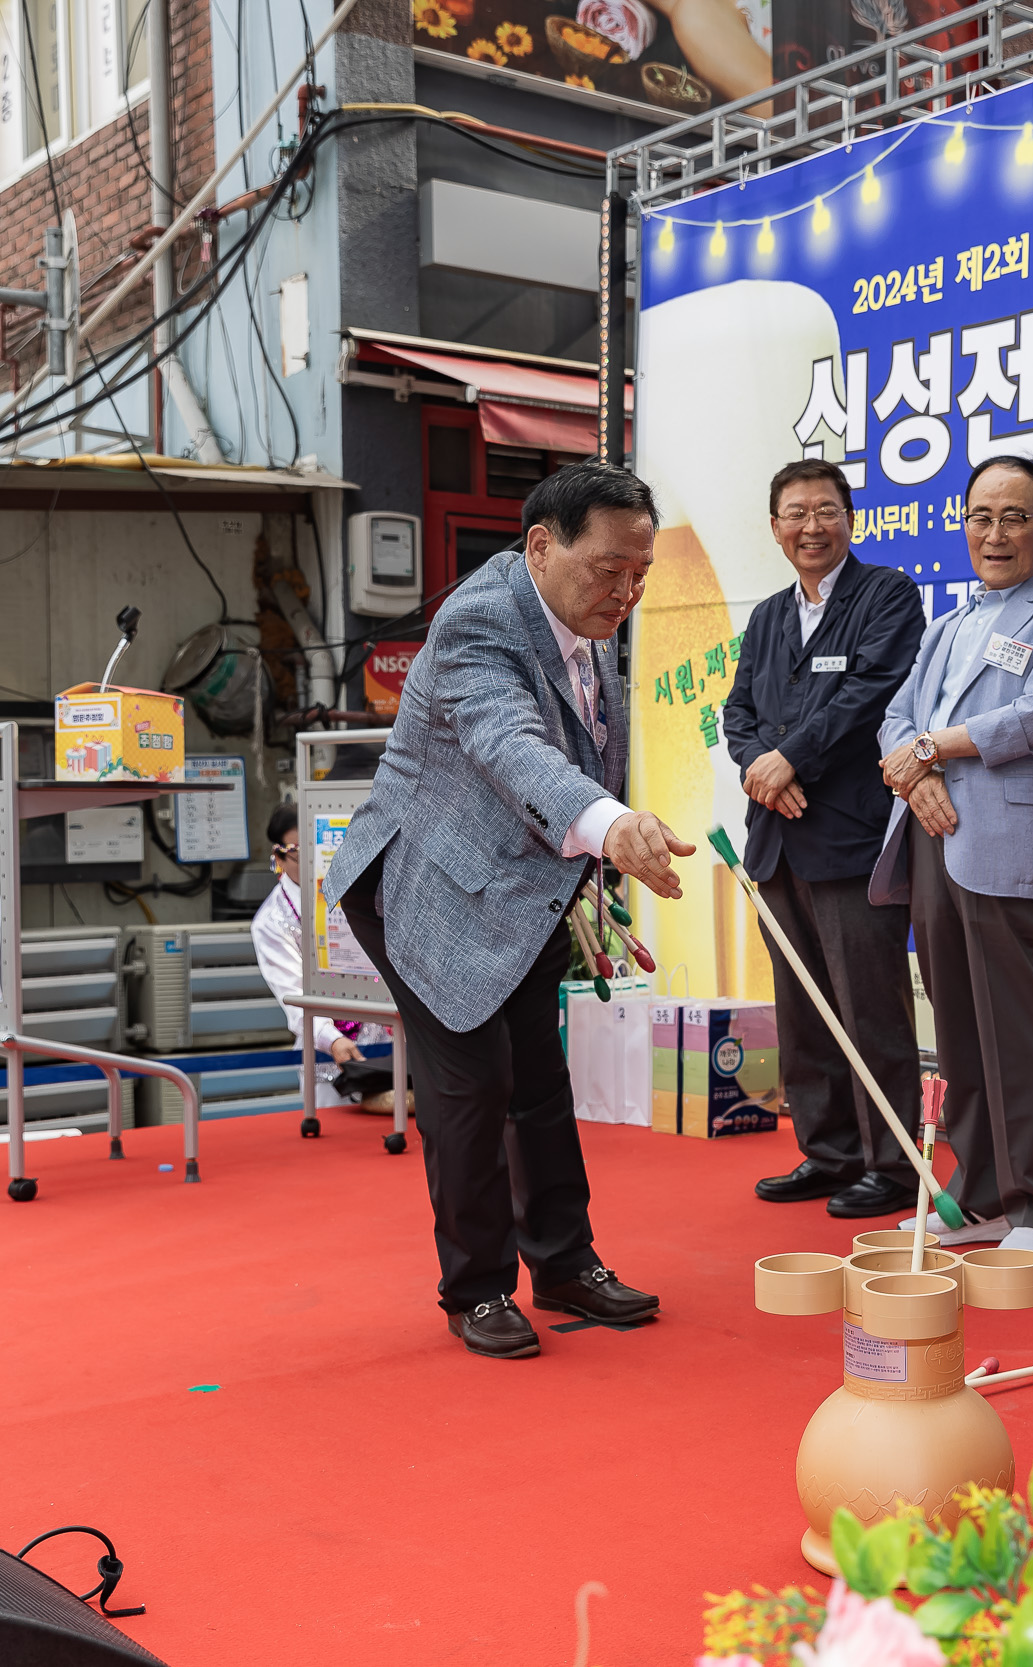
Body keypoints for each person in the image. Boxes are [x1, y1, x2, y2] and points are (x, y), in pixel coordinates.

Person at [325, 462, 696, 1361]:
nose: (627, 591)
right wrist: (611, 828)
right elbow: (511, 745)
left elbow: (579, 747)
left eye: (640, 573)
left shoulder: (585, 612)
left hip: (522, 888)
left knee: (538, 1078)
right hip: (429, 886)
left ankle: (566, 1261)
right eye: (610, 570)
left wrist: (595, 857)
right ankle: (477, 1287)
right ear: (541, 544)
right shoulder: (480, 620)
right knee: (472, 1085)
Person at [871, 454, 1033, 1270]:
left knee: (1024, 1031)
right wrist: (917, 771)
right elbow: (897, 713)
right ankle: (977, 1194)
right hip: (934, 839)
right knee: (962, 1028)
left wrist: (929, 752)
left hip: (1011, 849)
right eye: (981, 515)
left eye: (1015, 516)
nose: (996, 532)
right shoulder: (948, 623)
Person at [723, 459, 928, 1219]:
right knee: (802, 1005)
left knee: (868, 1004)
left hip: (848, 837)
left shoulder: (887, 594)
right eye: (795, 513)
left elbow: (868, 693)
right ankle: (829, 1150)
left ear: (851, 517)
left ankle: (893, 1163)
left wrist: (789, 759)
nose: (812, 526)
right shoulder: (770, 615)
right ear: (775, 528)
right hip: (776, 835)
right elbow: (737, 713)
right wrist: (759, 767)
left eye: (826, 510)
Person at [249, 801, 368, 1109]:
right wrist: (331, 1039)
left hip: (387, 1039)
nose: (313, 858)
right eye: (299, 851)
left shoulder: (358, 889)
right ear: (278, 854)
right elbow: (293, 994)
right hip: (329, 1052)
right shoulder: (272, 920)